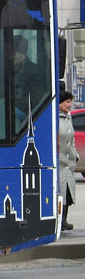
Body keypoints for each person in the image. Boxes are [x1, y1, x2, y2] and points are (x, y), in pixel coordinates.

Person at [10, 35, 45, 117]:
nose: (12, 56)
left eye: (15, 53)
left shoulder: (34, 72)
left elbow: (36, 99)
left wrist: (12, 103)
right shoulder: (3, 70)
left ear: (23, 54)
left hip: (24, 113)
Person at [59, 87, 78, 230]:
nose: (69, 105)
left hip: (69, 162)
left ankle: (64, 220)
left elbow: (71, 140)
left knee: (68, 192)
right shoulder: (54, 118)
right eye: (67, 102)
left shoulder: (68, 117)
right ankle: (59, 221)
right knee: (61, 191)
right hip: (59, 162)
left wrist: (75, 155)